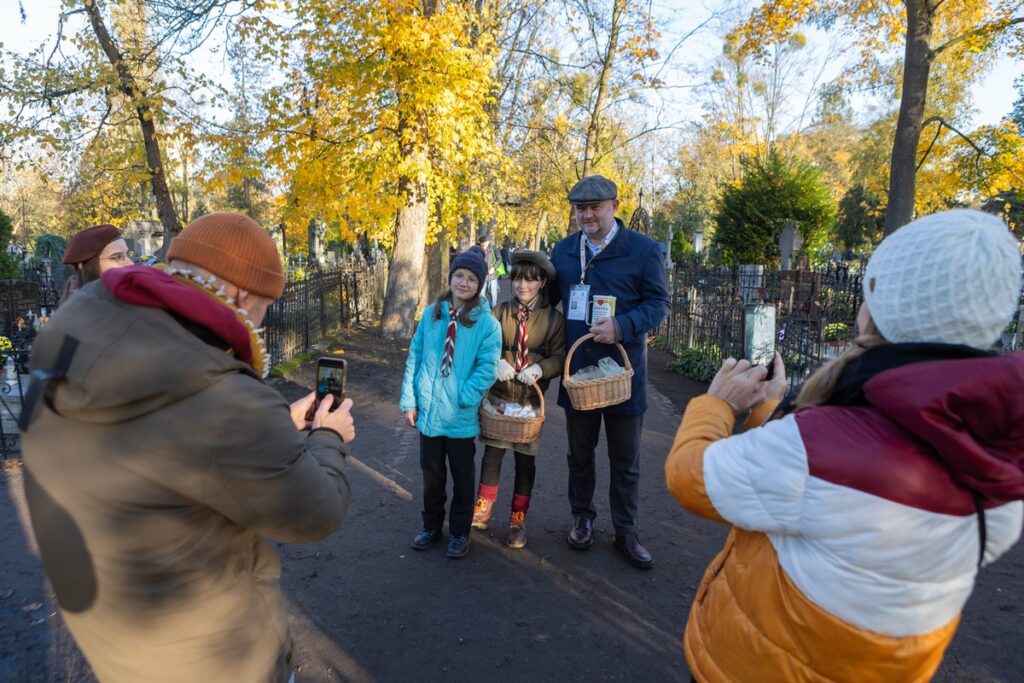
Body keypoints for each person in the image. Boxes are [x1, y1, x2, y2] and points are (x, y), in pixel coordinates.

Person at [665, 208, 1024, 682]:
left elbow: (690, 475)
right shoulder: (1000, 446)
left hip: (762, 663)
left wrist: (716, 404)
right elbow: (820, 506)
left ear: (879, 303)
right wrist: (772, 412)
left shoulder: (817, 448)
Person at [21, 212, 355, 683]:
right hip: (216, 656)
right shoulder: (223, 399)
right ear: (241, 296)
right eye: (262, 311)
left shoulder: (80, 322)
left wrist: (273, 425)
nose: (258, 325)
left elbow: (164, 443)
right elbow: (316, 511)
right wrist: (328, 436)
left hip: (116, 636)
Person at [550, 175, 669, 569]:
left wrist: (622, 326)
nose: (586, 214)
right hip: (579, 374)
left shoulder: (644, 250)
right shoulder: (564, 252)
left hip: (622, 375)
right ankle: (582, 517)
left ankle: (626, 531)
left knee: (626, 460)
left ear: (614, 206)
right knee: (579, 455)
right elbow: (545, 299)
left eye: (594, 207)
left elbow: (658, 305)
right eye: (580, 208)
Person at [401, 248, 501, 558]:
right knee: (432, 476)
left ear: (479, 284)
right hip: (429, 413)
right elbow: (415, 356)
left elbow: (487, 366)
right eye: (459, 275)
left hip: (459, 415)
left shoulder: (486, 324)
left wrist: (465, 396)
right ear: (451, 277)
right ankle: (431, 526)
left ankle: (459, 532)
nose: (463, 282)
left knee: (462, 476)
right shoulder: (433, 314)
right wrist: (409, 400)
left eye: (471, 278)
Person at [471, 251, 566, 548]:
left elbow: (559, 357)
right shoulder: (498, 313)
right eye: (518, 279)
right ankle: (483, 506)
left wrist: (541, 368)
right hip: (498, 399)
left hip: (530, 404)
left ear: (541, 283)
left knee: (526, 463)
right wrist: (495, 361)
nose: (523, 285)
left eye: (531, 279)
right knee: (492, 456)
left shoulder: (553, 320)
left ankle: (518, 518)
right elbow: (483, 346)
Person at [57, 224, 132, 306]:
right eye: (117, 257)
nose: (131, 263)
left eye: (128, 255)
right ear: (83, 265)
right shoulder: (79, 310)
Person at [476, 232, 504, 308]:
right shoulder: (478, 249)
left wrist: (494, 267)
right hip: (482, 276)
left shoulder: (493, 248)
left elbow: (499, 258)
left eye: (485, 243)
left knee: (493, 295)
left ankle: (494, 310)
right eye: (482, 244)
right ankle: (484, 309)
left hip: (492, 276)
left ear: (488, 242)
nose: (484, 245)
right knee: (481, 295)